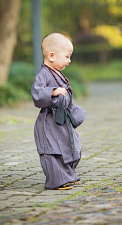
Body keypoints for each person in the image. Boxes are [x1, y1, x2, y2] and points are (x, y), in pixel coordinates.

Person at [31, 33, 87, 190]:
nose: (69, 61)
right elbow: (36, 93)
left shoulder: (57, 72)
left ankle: (68, 175)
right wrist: (53, 91)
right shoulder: (43, 74)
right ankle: (57, 180)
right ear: (51, 56)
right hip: (49, 121)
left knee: (71, 145)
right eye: (67, 56)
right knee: (53, 151)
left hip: (61, 119)